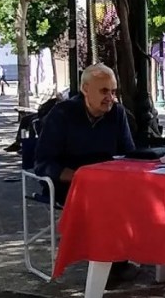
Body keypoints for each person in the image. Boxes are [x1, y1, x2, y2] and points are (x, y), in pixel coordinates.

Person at [34, 64, 135, 204]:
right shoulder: (62, 113)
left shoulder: (117, 112)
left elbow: (129, 154)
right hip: (70, 184)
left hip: (107, 181)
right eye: (104, 91)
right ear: (85, 89)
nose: (110, 98)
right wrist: (84, 176)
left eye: (113, 92)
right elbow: (44, 165)